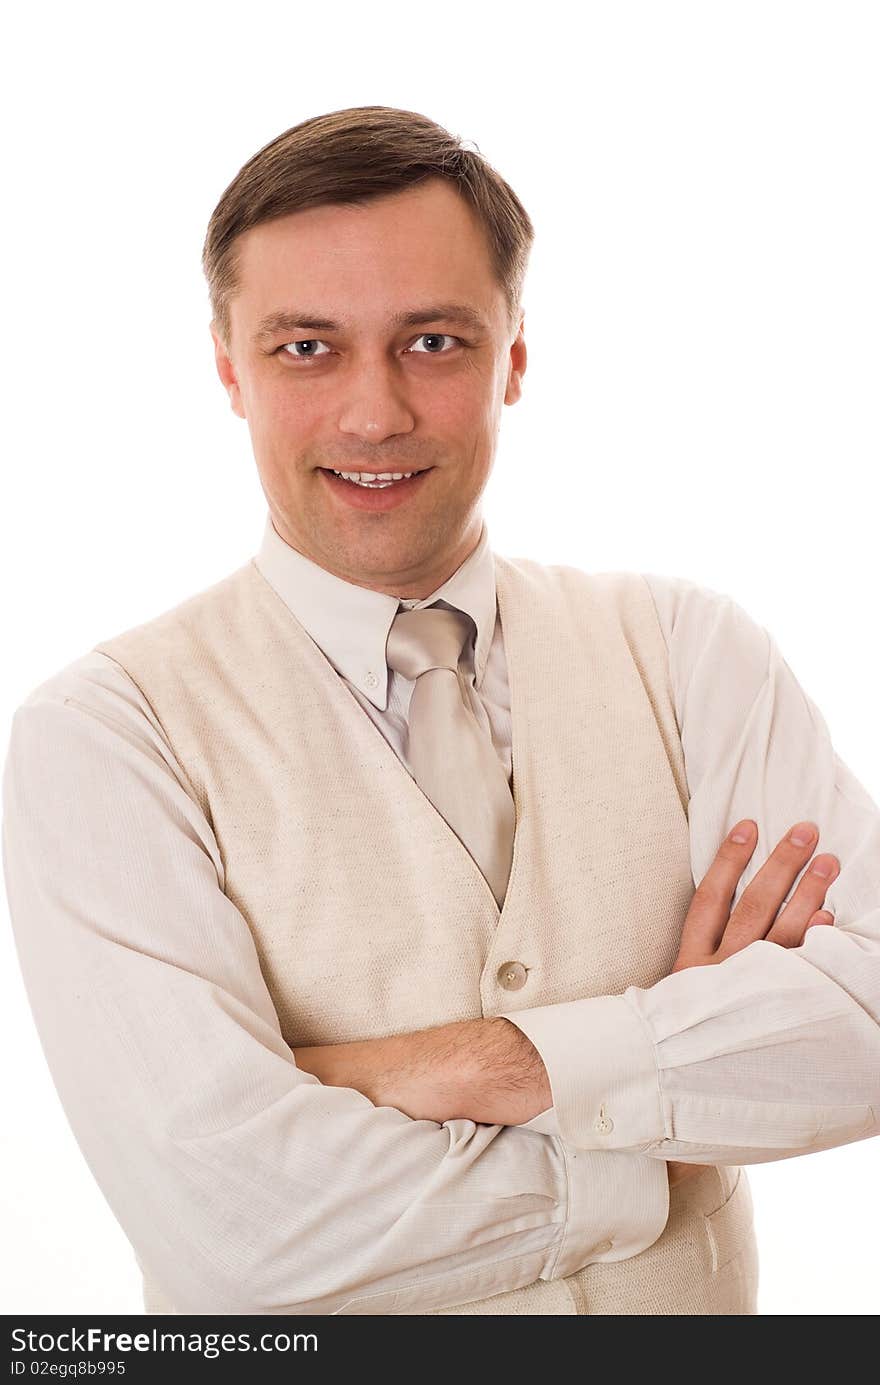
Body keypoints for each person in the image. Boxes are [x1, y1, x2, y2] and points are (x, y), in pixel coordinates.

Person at [2, 104, 878, 1318]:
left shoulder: (687, 650)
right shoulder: (105, 734)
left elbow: (874, 1013)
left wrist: (485, 1065)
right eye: (307, 347)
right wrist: (670, 1085)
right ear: (227, 367)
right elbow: (234, 1228)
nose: (373, 414)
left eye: (432, 341)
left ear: (515, 351)